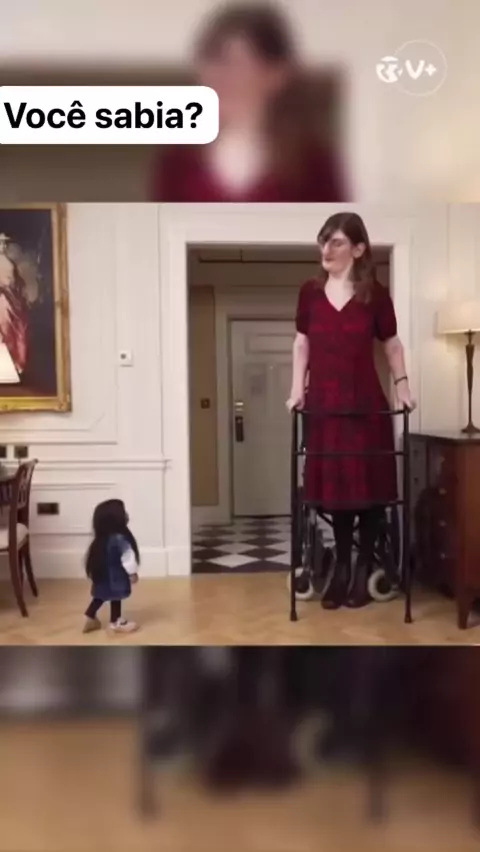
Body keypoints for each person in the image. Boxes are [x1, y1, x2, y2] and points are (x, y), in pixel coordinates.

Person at [287, 212, 415, 610]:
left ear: (358, 250)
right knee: (338, 493)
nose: (326, 249)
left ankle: (362, 569)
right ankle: (341, 567)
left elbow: (392, 344)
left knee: (369, 492)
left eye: (337, 241)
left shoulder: (375, 295)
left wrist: (403, 386)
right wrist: (297, 389)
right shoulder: (310, 293)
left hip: (365, 407)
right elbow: (301, 343)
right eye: (323, 241)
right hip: (325, 409)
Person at [151, 2, 347, 201]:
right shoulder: (177, 161)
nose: (218, 77)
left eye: (235, 63)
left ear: (276, 75)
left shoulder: (313, 164)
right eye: (212, 61)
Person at [83, 499, 140, 634]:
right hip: (116, 576)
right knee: (116, 597)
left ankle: (90, 616)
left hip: (102, 576)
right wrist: (132, 573)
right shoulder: (120, 539)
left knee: (100, 596)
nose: (126, 515)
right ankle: (115, 622)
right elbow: (128, 558)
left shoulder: (100, 541)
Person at [0, 232, 28, 377]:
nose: (3, 246)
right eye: (0, 243)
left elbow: (16, 283)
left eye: (4, 243)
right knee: (6, 330)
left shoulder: (9, 263)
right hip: (3, 300)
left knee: (12, 330)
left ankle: (16, 365)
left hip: (9, 300)